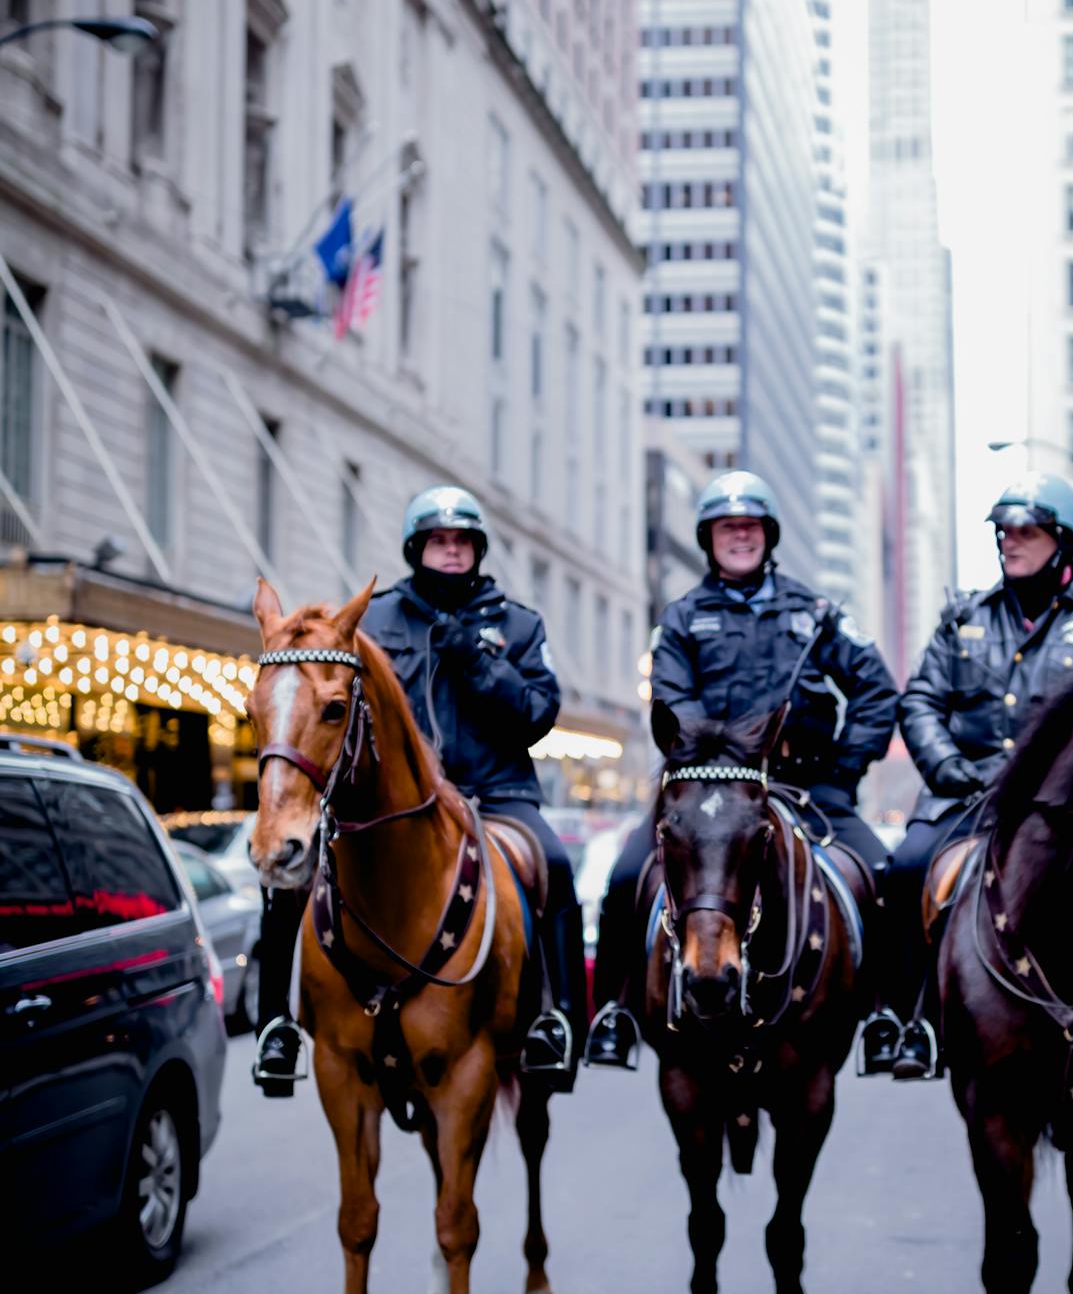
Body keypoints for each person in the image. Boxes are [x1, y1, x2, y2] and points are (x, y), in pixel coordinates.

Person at [864, 471, 1073, 1081]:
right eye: (1003, 530)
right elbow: (919, 701)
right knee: (909, 865)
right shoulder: (962, 620)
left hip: (1072, 808)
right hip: (968, 796)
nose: (1009, 541)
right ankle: (912, 1018)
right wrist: (948, 767)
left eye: (1026, 530)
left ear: (1063, 538)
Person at [251, 484, 584, 1094]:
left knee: (555, 865)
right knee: (288, 873)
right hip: (397, 801)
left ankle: (561, 1020)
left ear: (478, 549)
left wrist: (479, 664)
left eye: (462, 541)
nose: (451, 552)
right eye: (438, 541)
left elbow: (541, 712)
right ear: (416, 548)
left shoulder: (519, 625)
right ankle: (277, 1024)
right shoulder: (372, 621)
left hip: (496, 792)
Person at [584, 469, 898, 1069]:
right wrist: (718, 758)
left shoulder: (816, 614)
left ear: (769, 535)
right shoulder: (681, 618)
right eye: (728, 528)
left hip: (807, 789)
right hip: (707, 788)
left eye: (751, 527)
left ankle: (887, 1014)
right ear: (708, 538)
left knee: (880, 873)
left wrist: (843, 766)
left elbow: (877, 691)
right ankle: (615, 1013)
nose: (740, 537)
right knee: (626, 875)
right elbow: (671, 704)